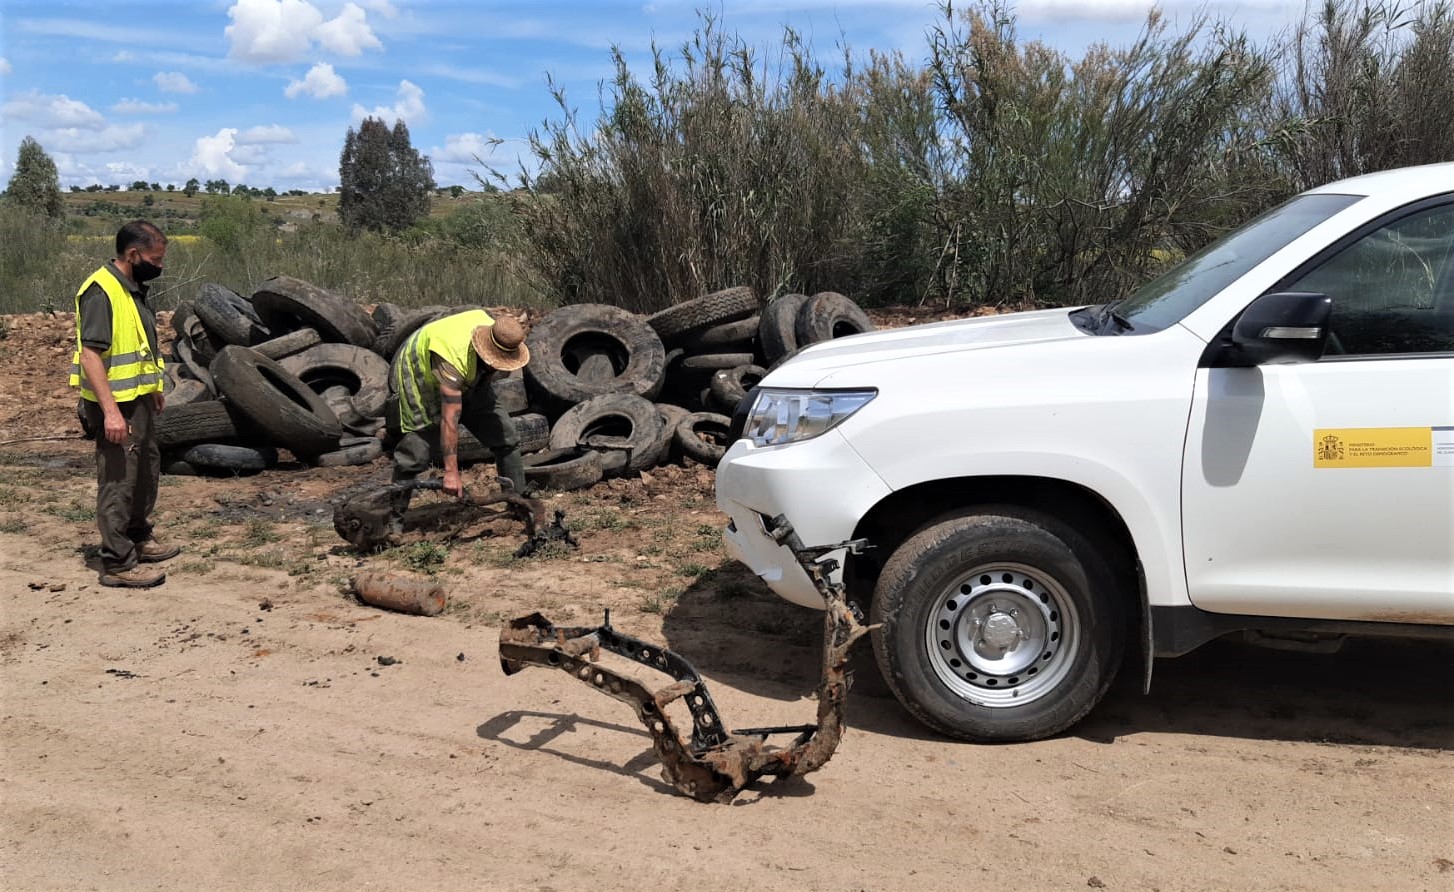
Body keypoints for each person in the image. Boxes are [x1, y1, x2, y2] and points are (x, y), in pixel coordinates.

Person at [70, 220, 180, 588]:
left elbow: (138, 348)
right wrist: (112, 412)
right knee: (119, 478)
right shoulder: (101, 291)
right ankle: (117, 562)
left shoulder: (132, 289)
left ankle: (138, 536)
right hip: (114, 405)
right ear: (134, 254)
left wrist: (152, 388)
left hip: (139, 399)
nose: (160, 266)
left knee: (146, 470)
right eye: (155, 259)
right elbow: (90, 356)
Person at [387, 309, 531, 525]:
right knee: (416, 453)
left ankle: (519, 504)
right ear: (484, 351)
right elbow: (450, 419)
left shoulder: (500, 330)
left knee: (507, 438)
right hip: (421, 376)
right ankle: (392, 520)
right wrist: (451, 472)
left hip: (470, 374)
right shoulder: (452, 361)